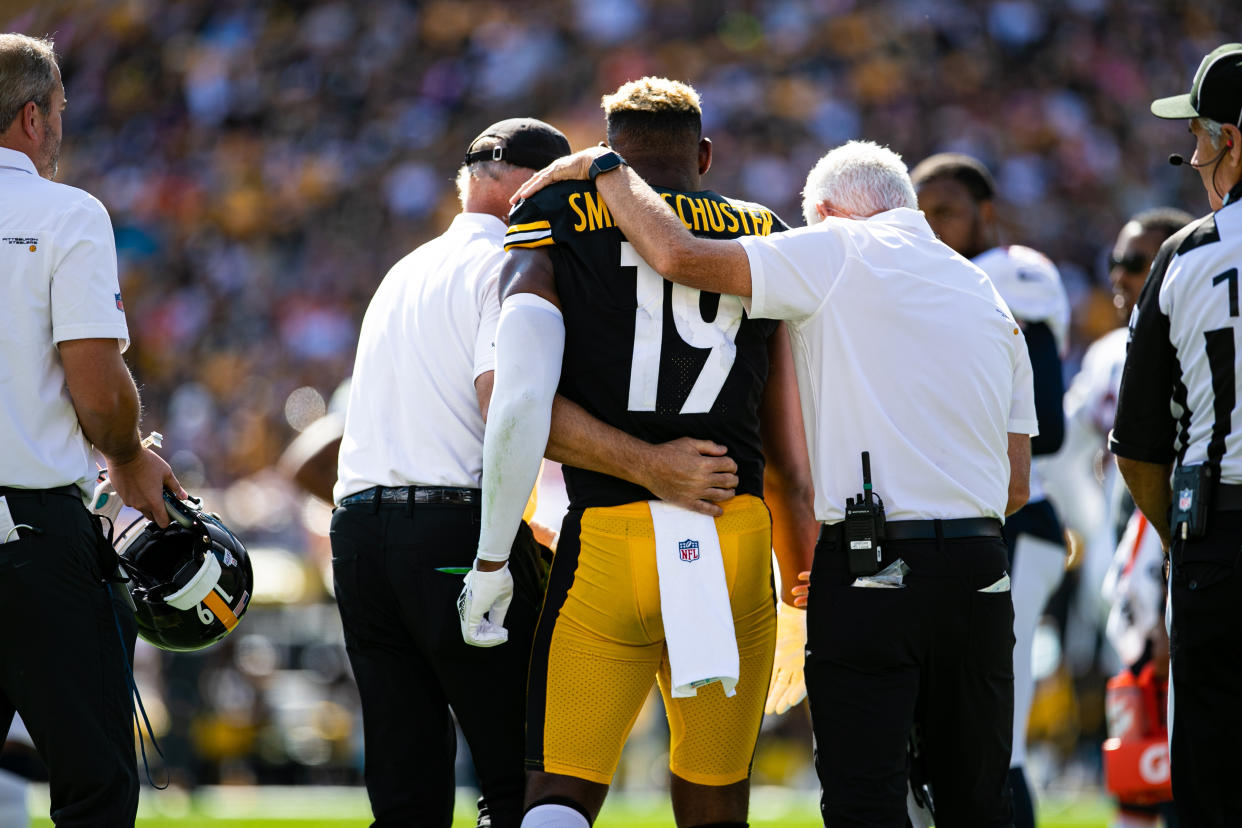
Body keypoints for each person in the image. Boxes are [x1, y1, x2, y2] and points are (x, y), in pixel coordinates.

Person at [512, 137, 1037, 827]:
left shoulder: (837, 249)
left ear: (824, 212)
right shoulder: (986, 293)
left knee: (865, 799)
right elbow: (1016, 482)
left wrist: (607, 169)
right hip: (980, 571)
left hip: (869, 562)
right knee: (976, 801)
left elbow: (677, 256)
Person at [331, 116, 749, 828]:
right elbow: (510, 407)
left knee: (405, 793)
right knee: (518, 780)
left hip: (360, 537)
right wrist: (648, 465)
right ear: (535, 183)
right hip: (455, 529)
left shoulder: (404, 270)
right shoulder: (511, 260)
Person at [460, 77, 816, 828]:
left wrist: (493, 556)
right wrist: (799, 579)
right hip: (733, 535)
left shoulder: (556, 210)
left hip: (608, 540)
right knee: (716, 803)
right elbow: (790, 439)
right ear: (706, 155)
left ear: (607, 153)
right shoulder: (768, 230)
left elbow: (521, 391)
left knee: (559, 796)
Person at [0, 32, 184, 826]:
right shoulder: (65, 212)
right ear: (34, 117)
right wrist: (128, 456)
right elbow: (99, 392)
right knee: (95, 785)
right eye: (62, 112)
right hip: (32, 535)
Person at [911, 152, 1069, 828]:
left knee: (994, 729)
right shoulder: (919, 277)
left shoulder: (1013, 275)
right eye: (920, 213)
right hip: (949, 520)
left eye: (946, 211)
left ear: (987, 214)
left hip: (1015, 516)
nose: (931, 226)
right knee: (934, 722)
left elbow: (1048, 427)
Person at [1111, 42, 1242, 827]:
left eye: (1202, 135)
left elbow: (1136, 445)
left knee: (1214, 778)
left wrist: (1185, 541)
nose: (1193, 159)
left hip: (1219, 538)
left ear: (1234, 138)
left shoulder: (1186, 255)